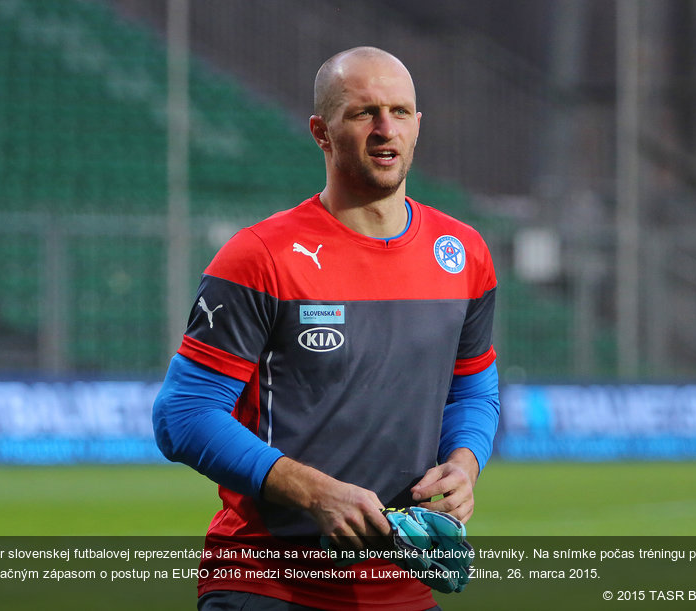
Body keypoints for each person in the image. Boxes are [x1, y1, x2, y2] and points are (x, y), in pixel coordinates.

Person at [153, 46, 500, 611]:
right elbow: (182, 415)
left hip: (404, 583)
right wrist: (314, 493)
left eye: (401, 112)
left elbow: (473, 386)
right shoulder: (260, 256)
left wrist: (465, 460)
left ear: (418, 124)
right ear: (321, 131)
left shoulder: (463, 252)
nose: (386, 129)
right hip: (267, 581)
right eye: (364, 113)